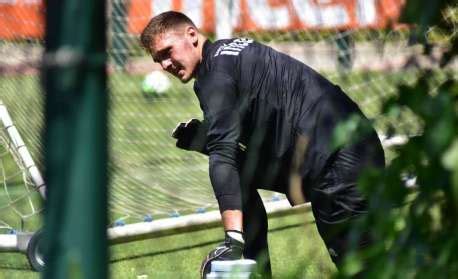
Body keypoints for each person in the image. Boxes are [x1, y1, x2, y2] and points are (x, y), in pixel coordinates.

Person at [140, 11, 385, 278]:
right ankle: (258, 271)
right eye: (158, 59)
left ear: (191, 35)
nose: (165, 65)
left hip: (336, 161)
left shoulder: (215, 77)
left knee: (363, 269)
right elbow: (254, 141)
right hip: (344, 147)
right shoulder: (228, 54)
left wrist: (231, 241)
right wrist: (207, 141)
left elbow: (224, 157)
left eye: (167, 52)